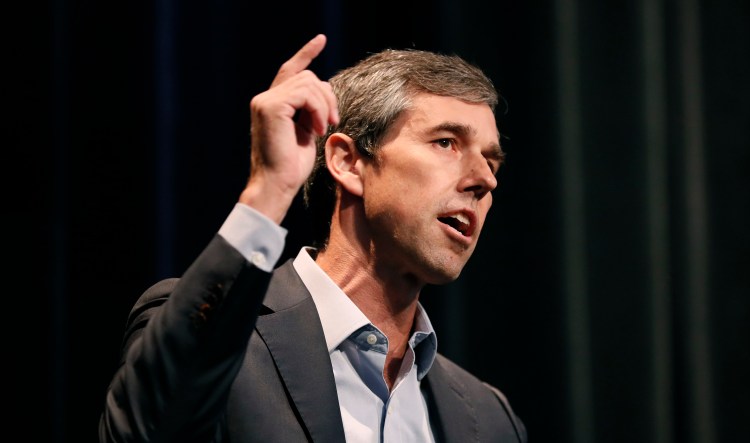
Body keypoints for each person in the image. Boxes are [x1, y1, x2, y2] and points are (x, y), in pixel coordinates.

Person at [98, 34, 527, 443]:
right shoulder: (217, 333)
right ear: (348, 162)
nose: (485, 180)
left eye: (492, 162)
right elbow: (147, 429)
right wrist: (269, 189)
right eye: (446, 142)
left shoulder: (490, 417)